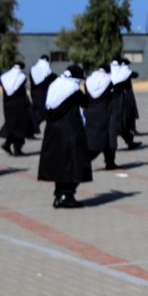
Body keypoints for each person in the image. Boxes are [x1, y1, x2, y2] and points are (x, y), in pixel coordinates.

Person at [38, 65, 93, 208]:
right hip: (69, 132)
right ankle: (67, 196)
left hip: (53, 132)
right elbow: (86, 102)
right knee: (75, 165)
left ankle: (59, 195)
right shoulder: (72, 89)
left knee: (60, 166)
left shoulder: (55, 85)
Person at [83, 63, 118, 170]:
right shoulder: (108, 81)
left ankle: (84, 160)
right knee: (109, 139)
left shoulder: (88, 81)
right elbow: (112, 96)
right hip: (105, 113)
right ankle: (109, 162)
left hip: (89, 113)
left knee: (91, 138)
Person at [0, 60, 35, 156]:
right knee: (20, 126)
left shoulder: (4, 77)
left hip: (7, 105)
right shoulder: (22, 77)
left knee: (12, 125)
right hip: (19, 104)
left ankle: (8, 143)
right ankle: (17, 149)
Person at [110, 58, 141, 150]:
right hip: (120, 102)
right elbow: (134, 74)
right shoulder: (122, 73)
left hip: (113, 102)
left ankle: (130, 142)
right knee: (120, 124)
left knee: (121, 125)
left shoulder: (111, 73)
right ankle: (113, 146)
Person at [28, 54, 53, 137]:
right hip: (43, 93)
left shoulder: (33, 69)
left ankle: (31, 130)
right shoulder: (46, 68)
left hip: (34, 93)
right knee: (42, 113)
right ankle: (31, 130)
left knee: (37, 112)